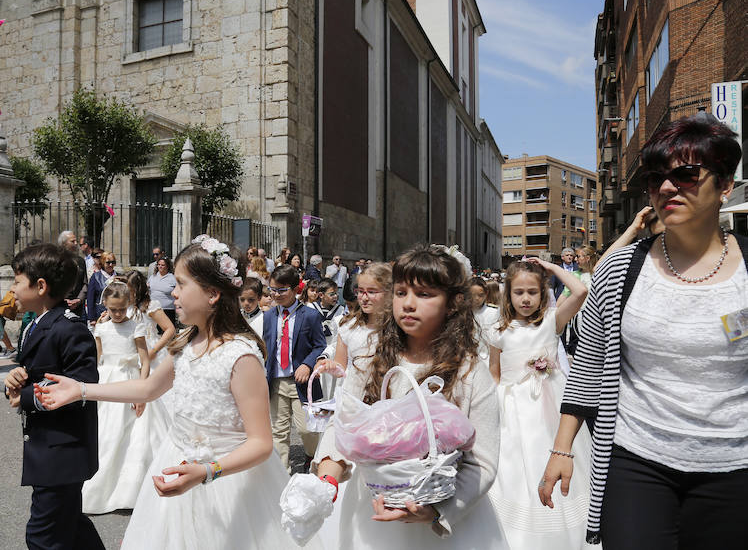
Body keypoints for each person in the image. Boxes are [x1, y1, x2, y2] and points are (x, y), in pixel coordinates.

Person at [34, 236, 324, 550]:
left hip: (225, 481)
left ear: (212, 294)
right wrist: (81, 389)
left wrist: (206, 472)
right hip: (176, 464)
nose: (173, 292)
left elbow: (261, 443)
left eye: (182, 284)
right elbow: (147, 388)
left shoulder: (240, 356)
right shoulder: (187, 341)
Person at [540, 115, 748, 548]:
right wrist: (562, 449)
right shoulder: (621, 269)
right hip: (636, 459)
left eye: (686, 175)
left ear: (725, 185)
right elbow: (589, 365)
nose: (667, 188)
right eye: (656, 179)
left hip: (734, 465)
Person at [311, 245, 507, 549]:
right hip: (371, 509)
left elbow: (482, 461)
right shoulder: (370, 358)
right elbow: (344, 424)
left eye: (425, 294)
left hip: (437, 515)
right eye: (401, 293)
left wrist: (436, 511)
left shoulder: (469, 373)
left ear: (452, 304)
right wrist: (328, 476)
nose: (409, 304)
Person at [2, 243, 103, 550]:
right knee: (72, 527)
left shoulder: (69, 329)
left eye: (18, 281)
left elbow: (83, 387)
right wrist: (12, 381)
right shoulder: (33, 325)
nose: (13, 288)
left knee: (42, 537)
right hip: (50, 450)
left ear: (41, 286)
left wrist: (28, 398)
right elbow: (29, 374)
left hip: (63, 453)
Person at [486, 258, 590, 549]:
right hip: (513, 409)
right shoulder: (499, 331)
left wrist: (552, 267)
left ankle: (559, 527)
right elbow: (494, 372)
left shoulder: (551, 321)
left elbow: (580, 292)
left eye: (532, 291)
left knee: (550, 451)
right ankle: (518, 533)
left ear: (543, 292)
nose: (526, 298)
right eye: (519, 292)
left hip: (552, 405)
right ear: (508, 294)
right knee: (516, 465)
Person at [82, 281, 170, 515]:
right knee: (107, 433)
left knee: (136, 435)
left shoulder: (135, 327)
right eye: (113, 310)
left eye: (122, 309)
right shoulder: (101, 329)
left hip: (131, 380)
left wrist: (142, 391)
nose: (118, 314)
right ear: (105, 307)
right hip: (107, 380)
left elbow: (145, 360)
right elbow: (99, 358)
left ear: (128, 305)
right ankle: (101, 486)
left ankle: (132, 490)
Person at [264, 265, 327, 473]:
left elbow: (320, 344)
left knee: (306, 429)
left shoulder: (309, 315)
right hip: (276, 380)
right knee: (279, 430)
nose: (276, 294)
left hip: (301, 381)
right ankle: (282, 471)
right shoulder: (269, 316)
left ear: (295, 289)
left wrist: (307, 364)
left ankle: (311, 454)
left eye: (282, 290)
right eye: (273, 289)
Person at [470, 277, 499, 366]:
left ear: (486, 294)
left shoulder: (495, 312)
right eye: (472, 295)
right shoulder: (462, 314)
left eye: (480, 295)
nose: (476, 298)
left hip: (488, 359)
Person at [59, 231, 88, 319]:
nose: (76, 244)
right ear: (63, 244)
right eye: (72, 241)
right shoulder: (55, 260)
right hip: (59, 306)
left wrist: (79, 300)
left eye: (76, 241)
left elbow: (85, 283)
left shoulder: (81, 261)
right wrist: (62, 299)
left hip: (78, 307)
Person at [87, 251, 117, 327]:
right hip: (100, 314)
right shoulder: (96, 277)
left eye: (113, 262)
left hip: (116, 314)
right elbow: (90, 298)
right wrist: (92, 318)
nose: (111, 265)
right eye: (108, 262)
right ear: (103, 263)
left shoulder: (119, 276)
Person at [149, 256, 177, 327]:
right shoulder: (153, 277)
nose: (160, 266)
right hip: (154, 309)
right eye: (159, 265)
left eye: (162, 265)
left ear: (167, 266)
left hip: (168, 310)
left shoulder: (173, 278)